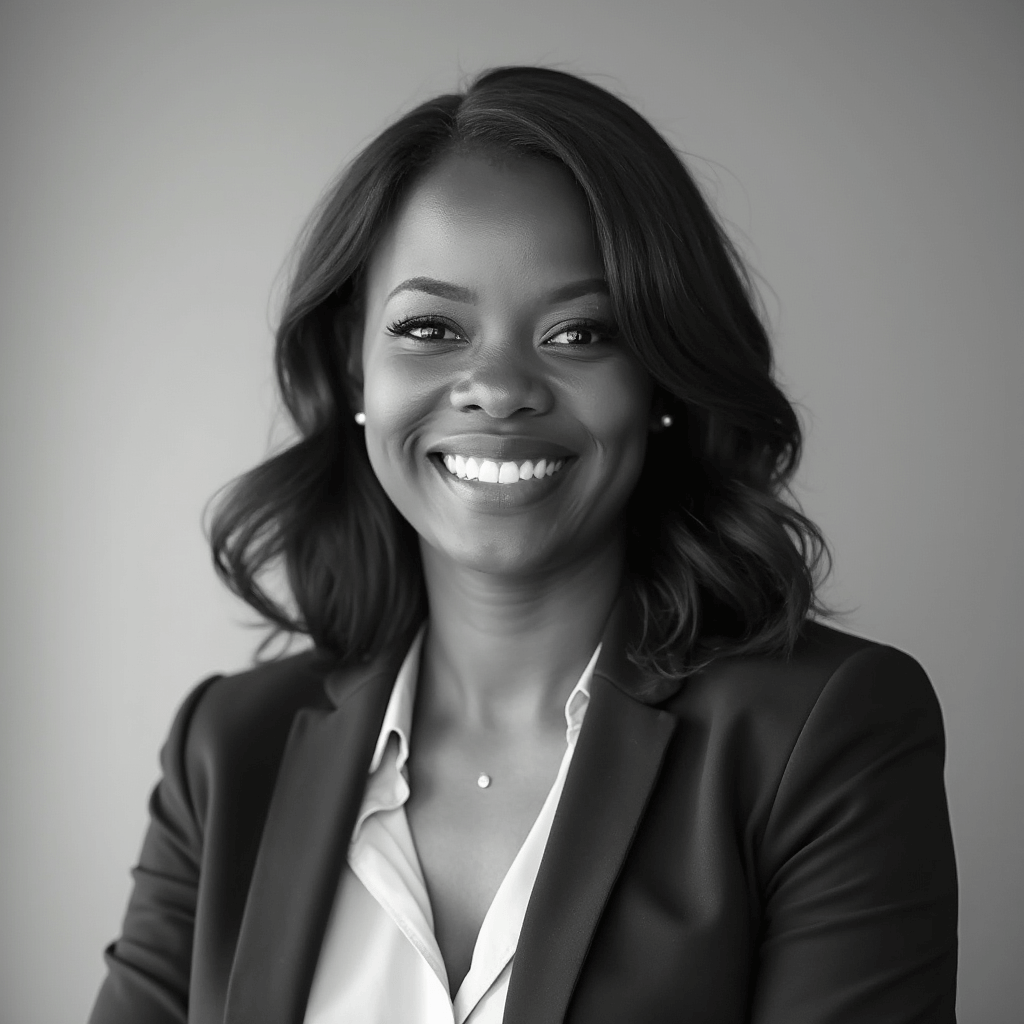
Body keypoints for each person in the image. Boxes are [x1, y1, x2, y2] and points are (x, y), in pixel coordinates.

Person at [88, 66, 958, 1024]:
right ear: (354, 367)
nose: (498, 388)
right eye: (430, 328)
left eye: (580, 333)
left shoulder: (824, 737)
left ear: (659, 380)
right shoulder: (226, 751)